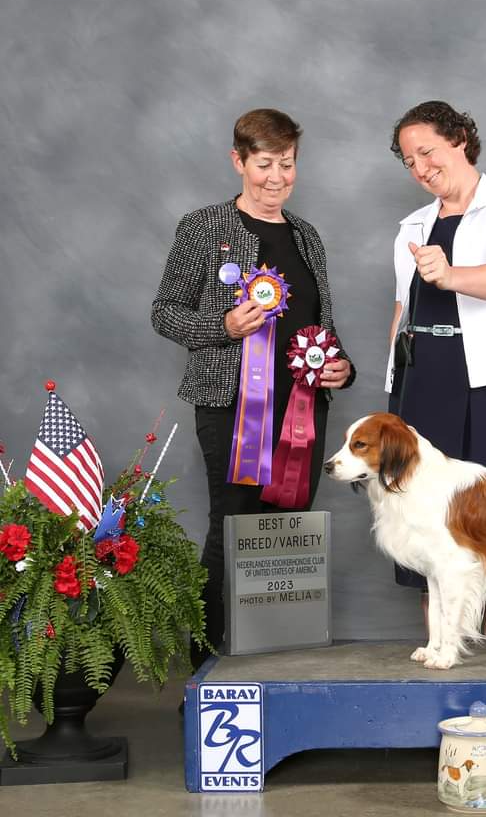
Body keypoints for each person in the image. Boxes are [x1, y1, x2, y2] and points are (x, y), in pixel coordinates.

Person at [152, 108, 353, 667]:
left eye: (287, 165)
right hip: (230, 406)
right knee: (232, 527)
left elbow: (320, 325)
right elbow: (164, 313)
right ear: (238, 161)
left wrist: (341, 368)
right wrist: (222, 326)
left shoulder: (306, 236)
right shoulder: (204, 227)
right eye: (264, 164)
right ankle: (208, 669)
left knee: (289, 535)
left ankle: (278, 665)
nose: (276, 178)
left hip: (304, 410)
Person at [386, 100, 486, 637]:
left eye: (426, 151)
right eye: (409, 161)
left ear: (459, 139)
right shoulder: (413, 224)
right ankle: (447, 660)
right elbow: (402, 310)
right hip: (424, 389)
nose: (420, 168)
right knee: (430, 532)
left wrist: (449, 274)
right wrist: (394, 386)